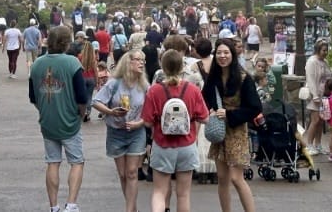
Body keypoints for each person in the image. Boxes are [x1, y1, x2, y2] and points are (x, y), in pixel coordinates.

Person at [141, 49, 209, 212]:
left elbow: (148, 122)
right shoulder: (192, 89)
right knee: (183, 194)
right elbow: (205, 118)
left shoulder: (154, 90)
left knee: (159, 191)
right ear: (182, 67)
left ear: (162, 67)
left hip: (163, 145)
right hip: (187, 145)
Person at [29, 25, 88, 212]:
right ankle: (71, 204)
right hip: (70, 121)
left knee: (52, 162)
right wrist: (81, 114)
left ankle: (53, 206)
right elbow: (81, 96)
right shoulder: (72, 63)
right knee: (76, 162)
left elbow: (33, 97)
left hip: (48, 122)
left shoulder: (37, 64)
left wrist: (45, 110)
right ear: (66, 42)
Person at [201, 39, 260, 212]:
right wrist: (210, 112)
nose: (222, 56)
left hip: (237, 130)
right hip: (219, 131)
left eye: (226, 52)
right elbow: (203, 98)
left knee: (236, 178)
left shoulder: (243, 78)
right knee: (222, 178)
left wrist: (230, 114)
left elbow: (255, 107)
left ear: (232, 55)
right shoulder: (213, 77)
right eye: (219, 52)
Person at [93, 50, 149, 212]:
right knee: (123, 174)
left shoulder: (144, 85)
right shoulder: (114, 83)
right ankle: (133, 208)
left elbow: (151, 112)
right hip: (116, 132)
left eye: (143, 60)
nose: (141, 63)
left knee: (132, 172)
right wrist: (110, 112)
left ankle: (129, 209)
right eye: (138, 59)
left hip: (136, 133)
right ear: (127, 62)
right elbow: (96, 101)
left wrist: (140, 123)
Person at [303, 38, 332, 156]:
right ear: (318, 50)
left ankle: (318, 144)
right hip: (314, 95)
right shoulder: (312, 62)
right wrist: (314, 95)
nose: (325, 52)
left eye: (326, 50)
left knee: (321, 121)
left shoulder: (325, 62)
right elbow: (311, 79)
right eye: (323, 50)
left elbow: (328, 76)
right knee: (315, 120)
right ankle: (309, 144)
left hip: (323, 95)